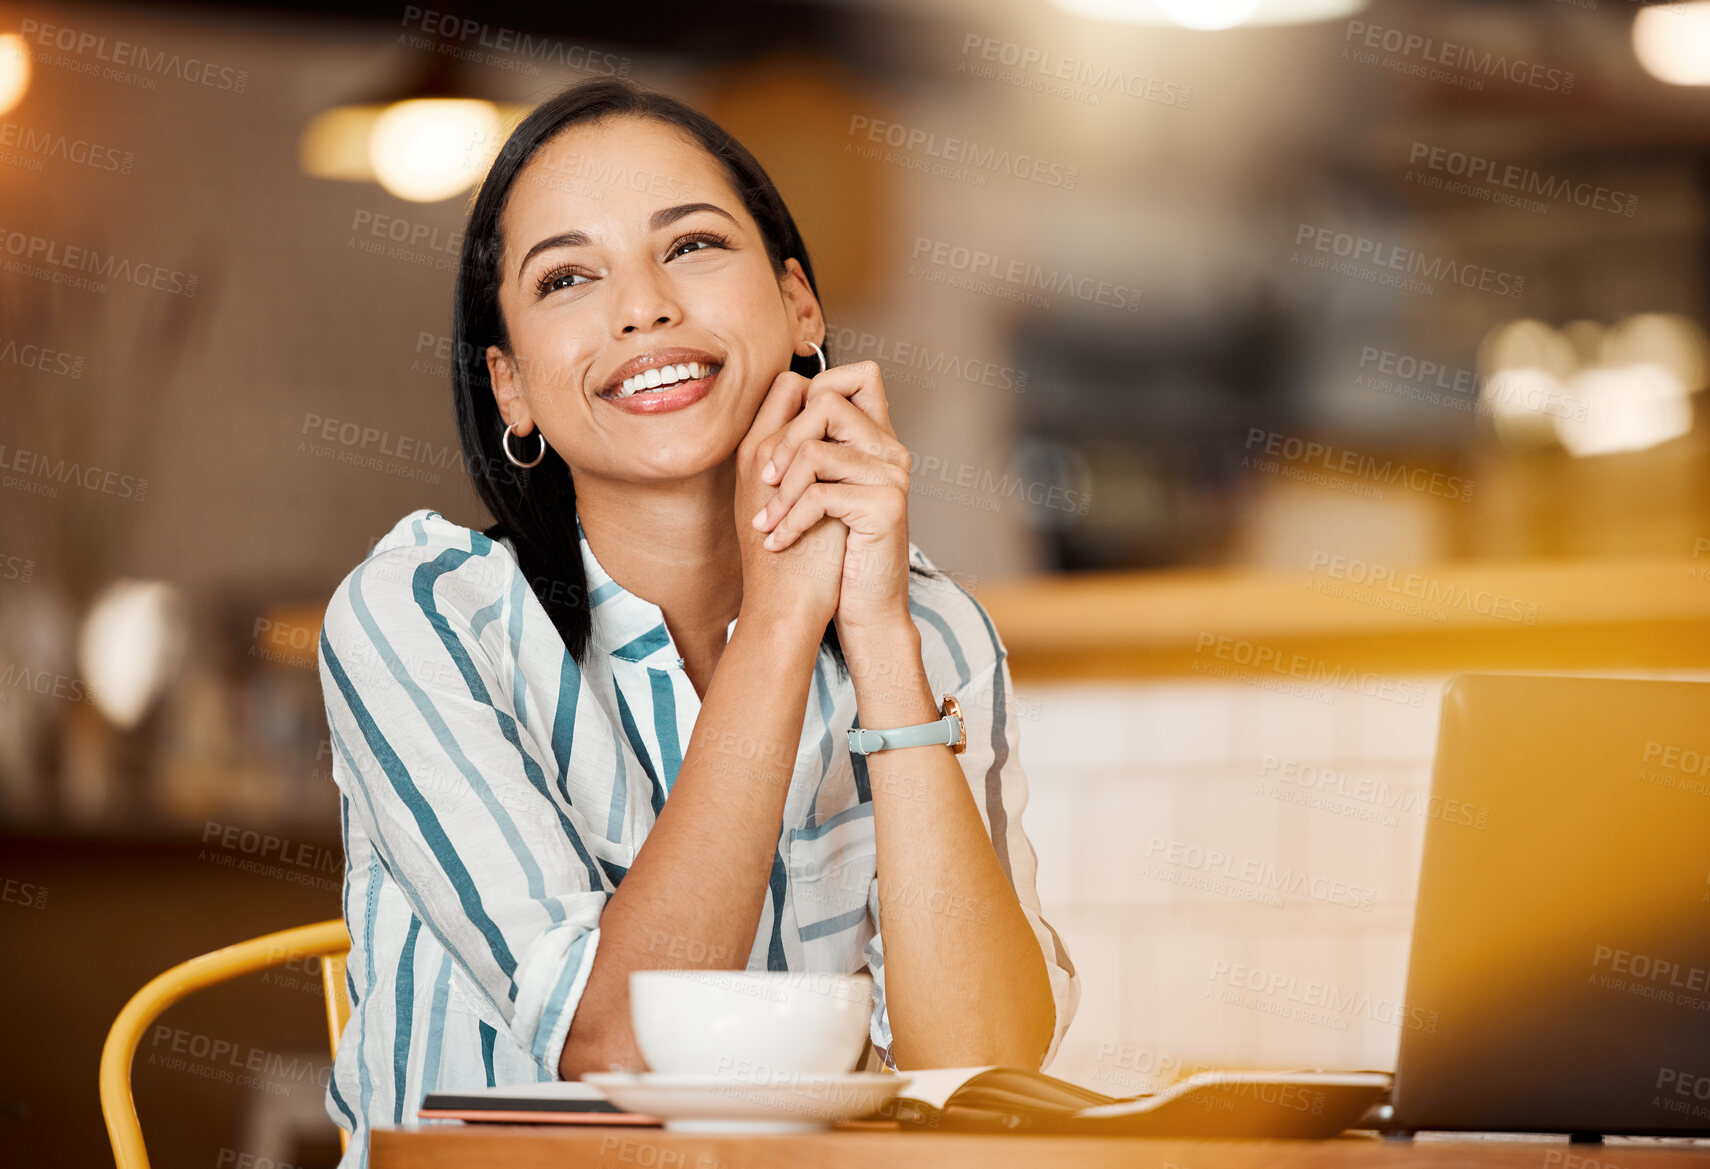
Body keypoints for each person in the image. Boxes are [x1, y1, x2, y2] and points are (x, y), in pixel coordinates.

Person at [315, 75, 1079, 1164]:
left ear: (799, 306)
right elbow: (620, 1040)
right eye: (569, 276)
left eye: (690, 247)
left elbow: (986, 1075)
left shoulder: (928, 628)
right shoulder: (423, 618)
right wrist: (777, 625)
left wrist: (880, 641)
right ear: (511, 387)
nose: (642, 307)